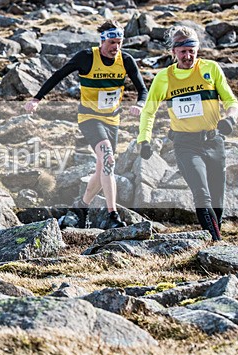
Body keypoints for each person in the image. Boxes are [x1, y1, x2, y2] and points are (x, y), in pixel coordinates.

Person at [25, 20, 148, 229]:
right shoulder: (87, 58)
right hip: (89, 118)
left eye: (119, 43)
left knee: (103, 167)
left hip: (112, 120)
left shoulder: (126, 60)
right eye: (112, 42)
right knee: (108, 158)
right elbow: (58, 76)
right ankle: (112, 214)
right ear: (102, 41)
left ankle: (81, 207)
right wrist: (37, 99)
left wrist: (141, 105)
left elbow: (142, 89)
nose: (115, 47)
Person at [138, 25, 238, 241]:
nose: (188, 56)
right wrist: (144, 140)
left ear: (197, 48)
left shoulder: (210, 69)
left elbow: (231, 100)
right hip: (185, 145)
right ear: (173, 52)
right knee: (201, 193)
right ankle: (217, 242)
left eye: (192, 50)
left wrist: (230, 118)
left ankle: (213, 236)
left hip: (213, 141)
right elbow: (149, 111)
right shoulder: (164, 78)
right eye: (182, 51)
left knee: (217, 199)